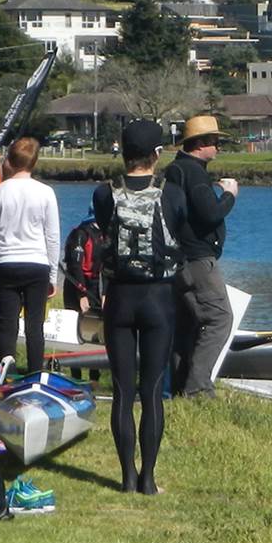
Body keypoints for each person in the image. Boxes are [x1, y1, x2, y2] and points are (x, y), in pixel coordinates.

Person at [92, 120, 189, 494]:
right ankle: (148, 479)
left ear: (123, 152)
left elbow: (105, 228)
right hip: (158, 298)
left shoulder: (104, 193)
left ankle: (127, 478)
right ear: (157, 154)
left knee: (122, 391)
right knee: (151, 390)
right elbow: (180, 231)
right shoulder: (172, 194)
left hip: (119, 298)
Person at [165, 113, 240, 398]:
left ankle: (179, 386)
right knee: (220, 318)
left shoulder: (175, 170)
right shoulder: (195, 173)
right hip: (197, 260)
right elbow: (210, 214)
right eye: (214, 142)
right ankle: (198, 388)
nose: (218, 147)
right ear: (200, 144)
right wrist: (230, 195)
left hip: (179, 259)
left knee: (186, 325)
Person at [0, 136, 62, 376]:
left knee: (7, 323)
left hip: (6, 262)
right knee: (35, 325)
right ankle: (35, 373)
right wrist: (53, 275)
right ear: (34, 162)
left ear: (9, 160)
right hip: (37, 263)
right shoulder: (45, 193)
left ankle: (6, 372)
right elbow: (52, 237)